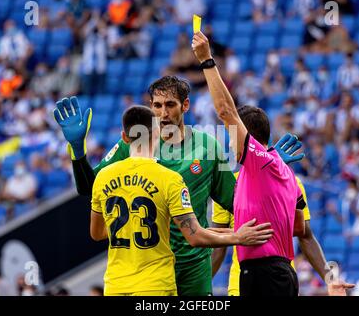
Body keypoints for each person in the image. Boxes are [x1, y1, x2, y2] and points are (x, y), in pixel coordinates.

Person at [54, 84, 303, 295]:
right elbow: (89, 186)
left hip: (192, 266)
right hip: (152, 267)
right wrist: (77, 151)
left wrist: (267, 169)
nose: (163, 113)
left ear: (185, 106)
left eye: (170, 105)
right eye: (157, 105)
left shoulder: (207, 146)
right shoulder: (130, 145)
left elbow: (237, 200)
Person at [191, 31, 349, 296]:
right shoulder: (284, 173)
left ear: (247, 139)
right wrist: (330, 278)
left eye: (233, 137)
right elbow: (301, 230)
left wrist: (207, 60)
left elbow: (226, 110)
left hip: (261, 275)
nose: (230, 143)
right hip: (278, 274)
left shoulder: (252, 167)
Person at [90, 105, 272, 296]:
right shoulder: (170, 179)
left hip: (115, 285)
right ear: (158, 133)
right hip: (155, 285)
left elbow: (97, 233)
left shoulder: (103, 177)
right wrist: (238, 237)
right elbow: (195, 236)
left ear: (124, 137)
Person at [212, 175, 355, 296]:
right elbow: (218, 246)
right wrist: (200, 287)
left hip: (282, 283)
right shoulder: (229, 184)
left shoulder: (291, 182)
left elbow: (305, 236)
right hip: (241, 284)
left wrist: (331, 279)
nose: (231, 144)